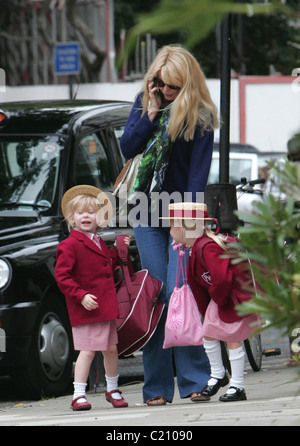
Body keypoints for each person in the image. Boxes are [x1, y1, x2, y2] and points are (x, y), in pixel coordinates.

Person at [120, 45, 219, 405]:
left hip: (181, 213)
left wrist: (189, 221)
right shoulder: (146, 101)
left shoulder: (202, 115)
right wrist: (149, 113)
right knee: (157, 295)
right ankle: (157, 387)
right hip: (145, 210)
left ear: (187, 82)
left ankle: (194, 381)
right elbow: (126, 147)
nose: (165, 91)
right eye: (160, 83)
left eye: (172, 86)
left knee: (183, 293)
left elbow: (197, 176)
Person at [165, 201, 260, 402]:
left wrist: (217, 299)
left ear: (185, 228)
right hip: (221, 299)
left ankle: (237, 386)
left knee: (231, 339)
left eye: (173, 227)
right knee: (208, 334)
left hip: (228, 299)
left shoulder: (206, 247)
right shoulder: (197, 245)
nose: (170, 231)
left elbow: (223, 278)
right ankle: (217, 374)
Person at [55, 185, 129, 411]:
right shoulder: (68, 245)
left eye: (91, 212)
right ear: (71, 218)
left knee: (110, 349)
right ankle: (78, 393)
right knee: (87, 351)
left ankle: (112, 388)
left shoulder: (98, 242)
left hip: (103, 307)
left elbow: (106, 266)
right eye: (80, 212)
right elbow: (62, 276)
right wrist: (81, 295)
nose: (86, 216)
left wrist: (117, 250)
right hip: (86, 308)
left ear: (100, 217)